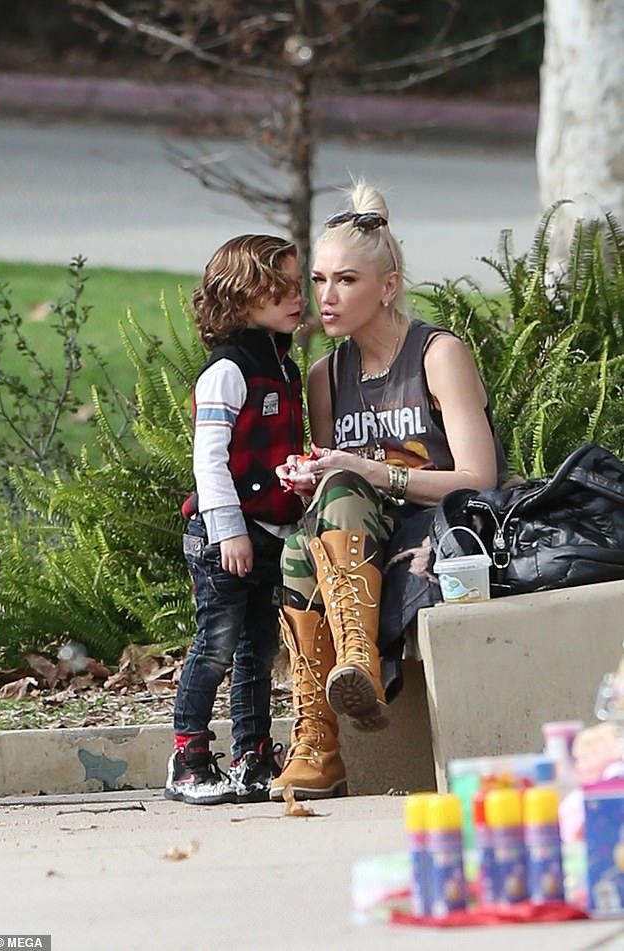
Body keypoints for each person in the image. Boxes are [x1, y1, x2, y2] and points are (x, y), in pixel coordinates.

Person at [271, 180, 507, 801]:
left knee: (344, 486)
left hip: (441, 531)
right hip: (361, 545)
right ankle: (318, 737)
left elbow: (480, 478)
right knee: (300, 540)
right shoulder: (325, 376)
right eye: (319, 280)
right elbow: (335, 493)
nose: (326, 296)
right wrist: (309, 477)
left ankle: (345, 692)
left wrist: (370, 470)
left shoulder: (437, 354)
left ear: (388, 286)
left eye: (346, 280)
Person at [164, 234, 305, 806]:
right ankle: (188, 757)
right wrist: (230, 531)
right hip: (225, 538)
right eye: (280, 288)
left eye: (298, 285)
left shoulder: (284, 366)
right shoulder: (227, 371)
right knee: (215, 647)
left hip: (269, 534)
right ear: (240, 298)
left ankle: (253, 755)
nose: (297, 297)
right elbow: (209, 462)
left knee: (257, 652)